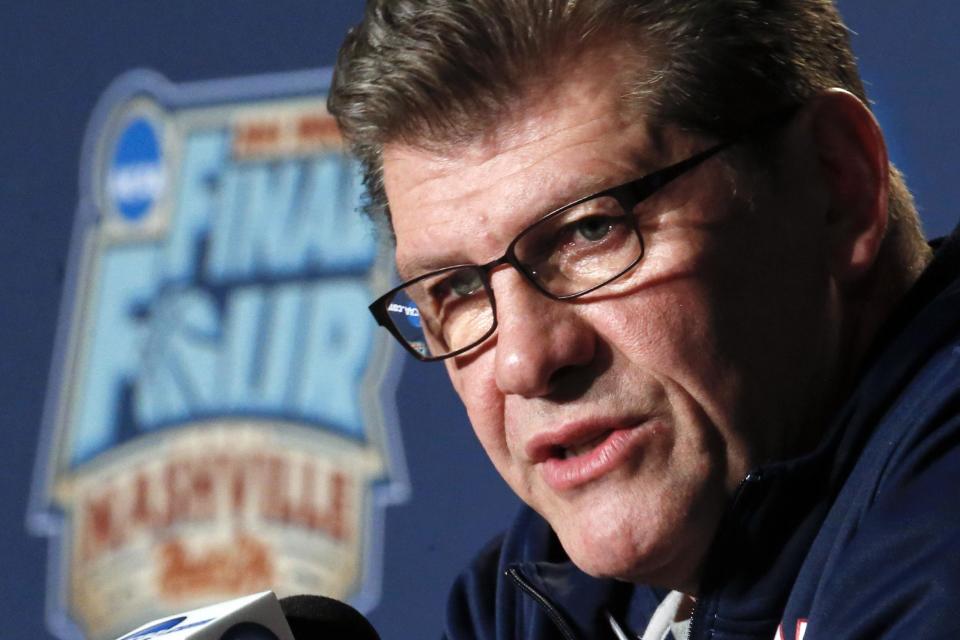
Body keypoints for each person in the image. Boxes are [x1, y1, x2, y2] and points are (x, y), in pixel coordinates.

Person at [328, 1, 960, 638]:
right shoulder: (532, 598)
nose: (523, 362)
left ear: (835, 185)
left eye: (591, 231)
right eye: (457, 288)